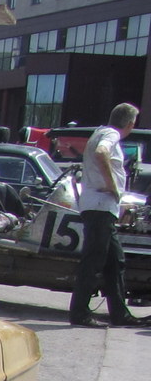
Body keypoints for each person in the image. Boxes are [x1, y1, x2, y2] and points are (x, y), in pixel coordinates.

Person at [69, 101, 149, 327]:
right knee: (93, 260)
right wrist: (113, 185)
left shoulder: (101, 131)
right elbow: (101, 152)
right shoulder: (111, 135)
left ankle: (120, 314)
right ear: (130, 123)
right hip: (99, 207)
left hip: (101, 208)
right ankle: (79, 313)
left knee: (115, 261)